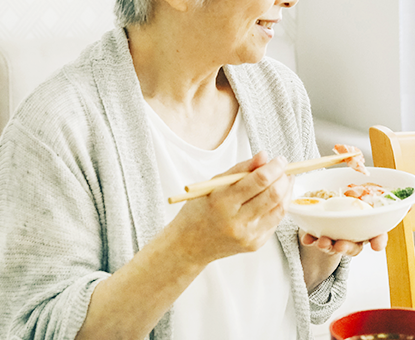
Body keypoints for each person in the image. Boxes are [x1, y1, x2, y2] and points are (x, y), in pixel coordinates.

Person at [0, 0, 387, 339]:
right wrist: (188, 247)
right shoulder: (56, 127)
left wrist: (332, 236)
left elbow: (303, 298)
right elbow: (36, 329)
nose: (289, 1)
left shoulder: (280, 94)